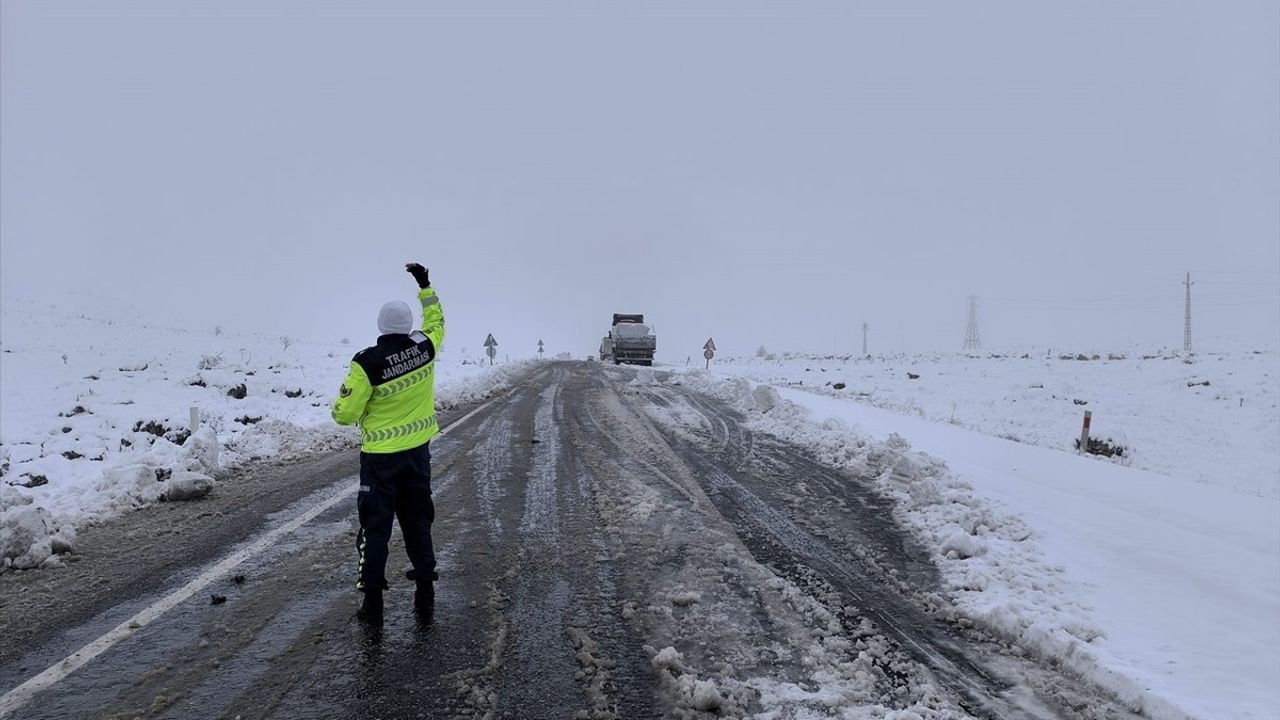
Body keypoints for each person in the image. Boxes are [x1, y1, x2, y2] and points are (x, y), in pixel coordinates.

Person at [331, 262, 444, 621]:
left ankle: (372, 602)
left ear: (381, 326)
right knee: (418, 520)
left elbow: (345, 413)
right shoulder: (425, 347)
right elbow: (437, 321)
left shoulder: (367, 363)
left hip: (380, 460)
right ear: (408, 326)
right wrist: (425, 285)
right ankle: (425, 586)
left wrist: (345, 406)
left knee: (376, 526)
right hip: (417, 454)